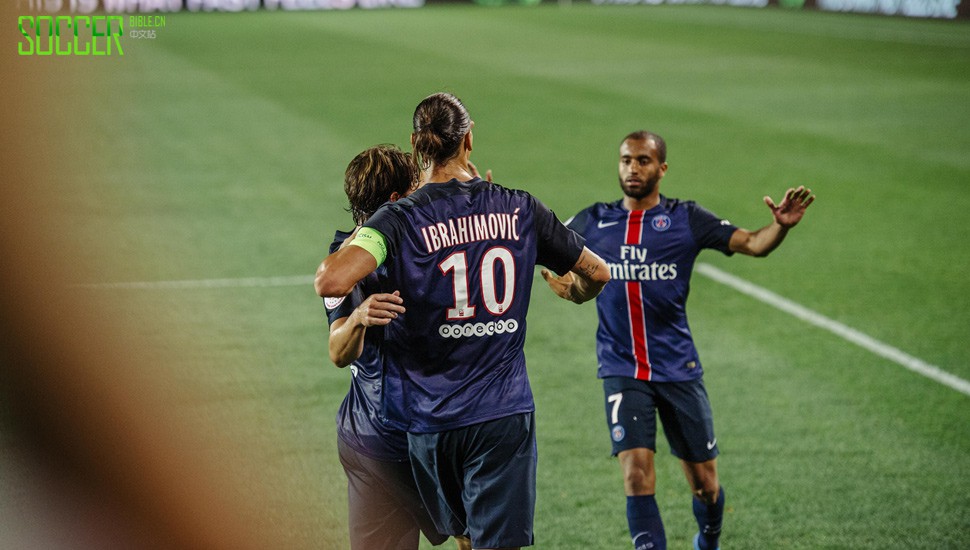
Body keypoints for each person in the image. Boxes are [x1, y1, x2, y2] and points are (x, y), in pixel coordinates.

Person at [315, 92, 610, 550]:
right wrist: (573, 291)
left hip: (426, 421)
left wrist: (388, 226)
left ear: (416, 144)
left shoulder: (397, 224)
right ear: (469, 139)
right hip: (497, 413)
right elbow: (596, 272)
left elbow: (333, 277)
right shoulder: (518, 208)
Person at [543, 130, 814, 550]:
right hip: (621, 367)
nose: (633, 168)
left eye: (643, 161)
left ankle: (708, 539)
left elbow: (753, 244)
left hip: (677, 368)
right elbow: (539, 245)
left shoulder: (686, 218)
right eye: (626, 160)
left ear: (662, 168)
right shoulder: (594, 220)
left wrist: (779, 227)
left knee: (705, 484)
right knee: (636, 474)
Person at [325, 144, 466, 550]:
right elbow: (337, 351)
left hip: (378, 435)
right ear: (395, 200)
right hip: (403, 438)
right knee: (477, 536)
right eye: (415, 187)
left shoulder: (350, 254)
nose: (423, 191)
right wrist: (358, 317)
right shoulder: (352, 262)